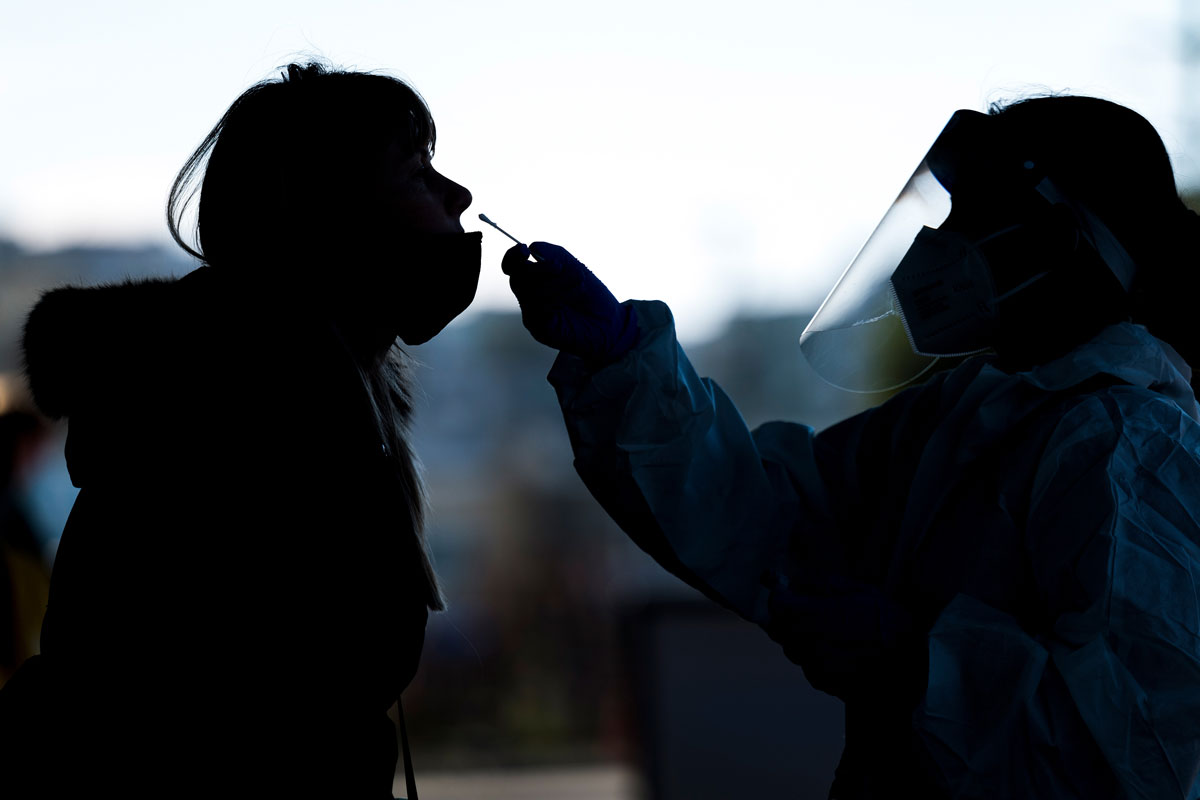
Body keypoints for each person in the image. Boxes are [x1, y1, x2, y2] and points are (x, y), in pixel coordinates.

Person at [501, 96, 1200, 798]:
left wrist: (918, 666)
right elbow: (766, 520)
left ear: (1057, 242)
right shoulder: (972, 415)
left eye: (973, 213)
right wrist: (628, 366)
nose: (940, 240)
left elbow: (1141, 755)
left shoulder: (1127, 444)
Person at [0, 61, 476, 799]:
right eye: (418, 174)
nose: (460, 198)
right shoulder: (245, 403)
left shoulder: (286, 387)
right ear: (327, 215)